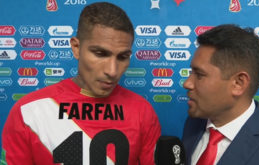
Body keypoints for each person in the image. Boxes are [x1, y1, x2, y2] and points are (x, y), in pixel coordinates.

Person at [1, 2, 161, 165]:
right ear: (76, 47)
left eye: (122, 57)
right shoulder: (29, 111)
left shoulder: (143, 112)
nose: (112, 71)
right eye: (100, 54)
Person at [182, 24, 259, 165]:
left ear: (238, 83)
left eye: (199, 75)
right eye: (191, 72)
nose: (187, 83)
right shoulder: (193, 124)